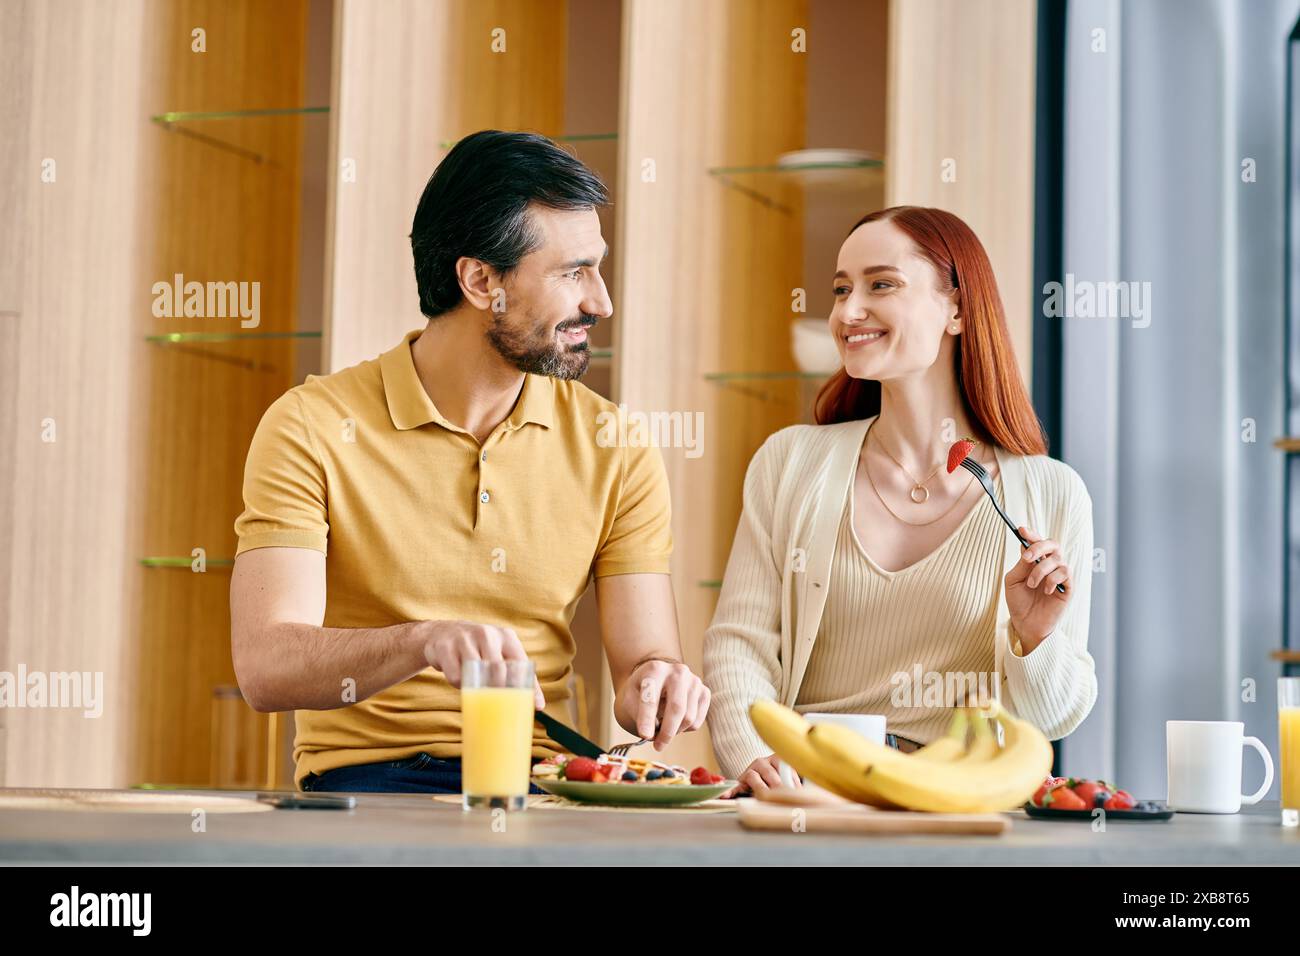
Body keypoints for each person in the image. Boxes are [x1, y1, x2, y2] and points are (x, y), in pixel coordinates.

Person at [231, 130, 709, 793]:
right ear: (481, 279)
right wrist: (420, 641)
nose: (600, 302)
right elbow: (265, 666)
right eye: (574, 272)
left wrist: (659, 681)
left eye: (597, 268)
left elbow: (640, 670)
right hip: (371, 782)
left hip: (545, 780)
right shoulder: (310, 426)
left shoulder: (616, 445)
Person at [704, 206, 1097, 796]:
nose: (847, 311)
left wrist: (1034, 638)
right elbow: (739, 642)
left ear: (958, 310)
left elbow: (1053, 716)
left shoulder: (1050, 492)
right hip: (809, 795)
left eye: (880, 285)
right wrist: (754, 756)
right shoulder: (789, 463)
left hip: (958, 801)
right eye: (841, 289)